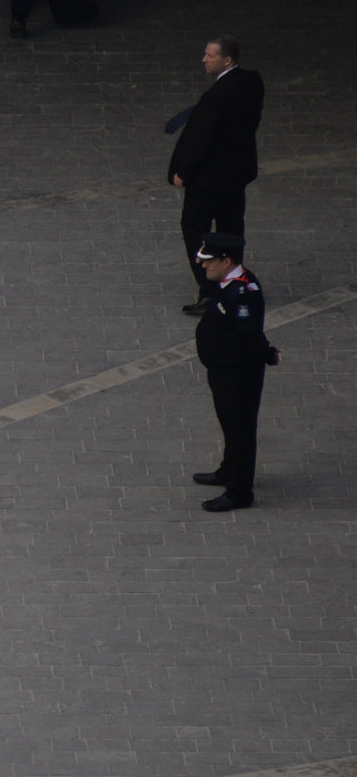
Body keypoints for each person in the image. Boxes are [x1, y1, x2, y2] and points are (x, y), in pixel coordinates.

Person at [167, 35, 263, 312]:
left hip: (210, 178)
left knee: (194, 227)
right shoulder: (252, 82)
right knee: (231, 228)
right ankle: (235, 283)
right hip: (237, 173)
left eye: (210, 55)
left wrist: (183, 171)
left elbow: (202, 139)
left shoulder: (216, 97)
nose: (204, 60)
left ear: (227, 60)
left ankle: (209, 288)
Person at [189, 232, 272, 512]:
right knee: (229, 424)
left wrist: (268, 354)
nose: (203, 265)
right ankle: (228, 470)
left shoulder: (243, 292)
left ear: (226, 261)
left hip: (237, 374)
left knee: (240, 430)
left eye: (208, 260)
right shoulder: (227, 283)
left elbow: (249, 335)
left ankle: (239, 492)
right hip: (222, 370)